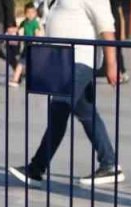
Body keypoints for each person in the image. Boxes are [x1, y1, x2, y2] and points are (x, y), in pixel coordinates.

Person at [8, 0, 123, 187]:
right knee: (87, 114)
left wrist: (112, 64)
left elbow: (106, 27)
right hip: (63, 62)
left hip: (81, 61)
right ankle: (109, 164)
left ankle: (36, 168)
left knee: (59, 108)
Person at [8, 1, 42, 86]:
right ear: (25, 13)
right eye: (28, 12)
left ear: (35, 13)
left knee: (33, 65)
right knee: (20, 63)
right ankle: (15, 80)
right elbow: (19, 28)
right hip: (26, 47)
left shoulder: (35, 23)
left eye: (32, 12)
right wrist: (12, 30)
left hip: (33, 47)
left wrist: (37, 39)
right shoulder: (24, 22)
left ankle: (35, 80)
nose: (30, 14)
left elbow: (37, 32)